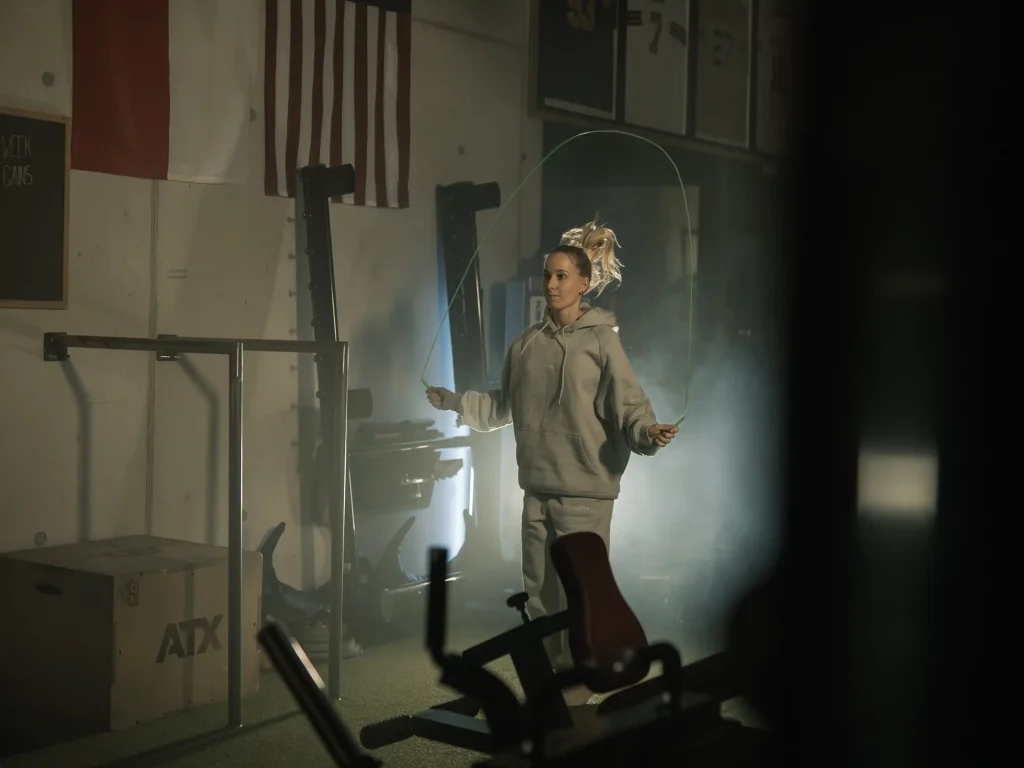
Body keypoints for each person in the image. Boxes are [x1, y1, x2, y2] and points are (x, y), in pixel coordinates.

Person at [426, 220, 678, 702]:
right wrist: (456, 402)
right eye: (548, 275)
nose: (552, 284)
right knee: (539, 596)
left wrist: (647, 432)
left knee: (581, 596)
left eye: (563, 276)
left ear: (584, 283)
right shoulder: (525, 345)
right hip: (537, 488)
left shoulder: (602, 341)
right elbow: (504, 406)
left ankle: (580, 688)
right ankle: (555, 689)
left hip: (586, 490)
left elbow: (627, 402)